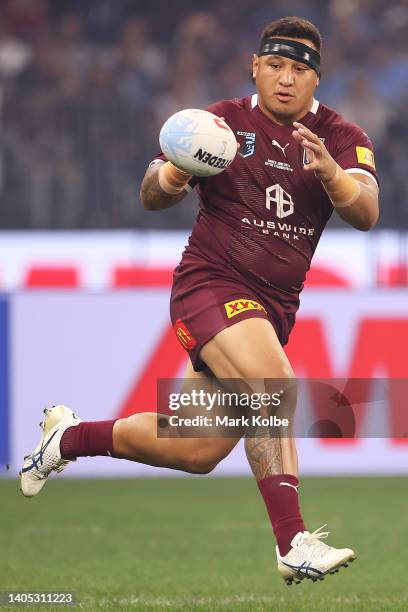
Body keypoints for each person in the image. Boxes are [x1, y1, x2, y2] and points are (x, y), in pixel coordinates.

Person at [20, 16, 379, 585]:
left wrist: (334, 177)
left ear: (317, 79)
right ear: (255, 67)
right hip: (210, 286)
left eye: (301, 69)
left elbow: (366, 212)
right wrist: (171, 178)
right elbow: (150, 195)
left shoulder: (342, 137)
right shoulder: (218, 124)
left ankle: (67, 437)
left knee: (194, 448)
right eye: (276, 65)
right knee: (274, 385)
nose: (287, 78)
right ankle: (293, 542)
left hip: (273, 308)